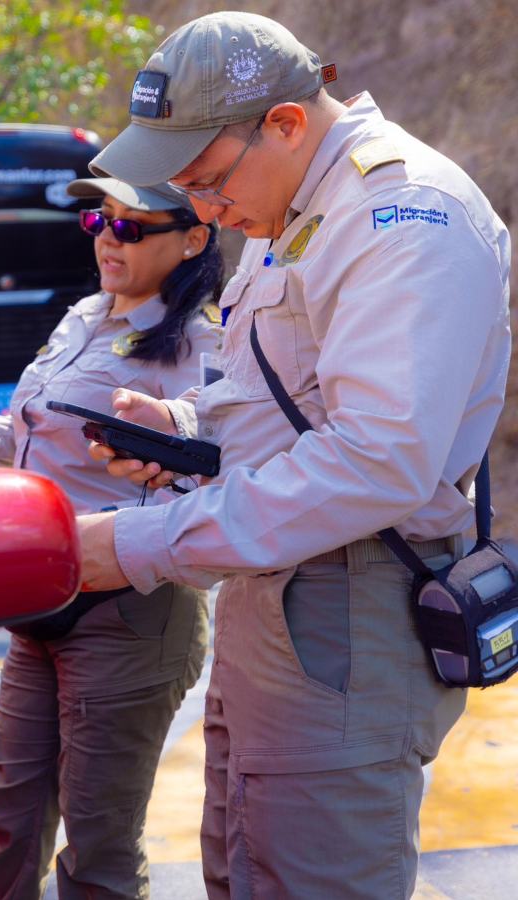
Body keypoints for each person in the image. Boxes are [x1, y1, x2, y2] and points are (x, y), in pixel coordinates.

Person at [75, 11, 510, 899]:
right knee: (247, 866)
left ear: (284, 122)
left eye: (205, 181)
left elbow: (378, 460)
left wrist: (137, 547)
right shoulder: (290, 206)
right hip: (278, 593)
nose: (202, 210)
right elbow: (283, 403)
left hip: (347, 607)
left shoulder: (400, 214)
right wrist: (188, 432)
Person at [0, 177, 223, 899]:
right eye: (99, 219)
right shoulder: (84, 315)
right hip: (40, 592)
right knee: (11, 813)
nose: (108, 237)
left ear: (193, 238)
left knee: (98, 842)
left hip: (130, 608)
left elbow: (222, 451)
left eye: (132, 228)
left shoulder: (200, 344)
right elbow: (29, 425)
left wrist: (176, 446)